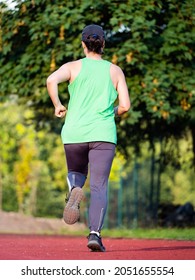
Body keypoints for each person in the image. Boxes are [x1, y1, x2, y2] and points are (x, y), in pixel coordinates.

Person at [46, 24, 130, 252]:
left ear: (83, 44)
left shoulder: (73, 67)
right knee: (99, 186)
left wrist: (58, 105)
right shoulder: (115, 71)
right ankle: (95, 235)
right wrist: (110, 113)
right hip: (103, 133)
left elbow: (51, 80)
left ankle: (74, 188)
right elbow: (125, 106)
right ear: (103, 44)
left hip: (74, 132)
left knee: (76, 173)